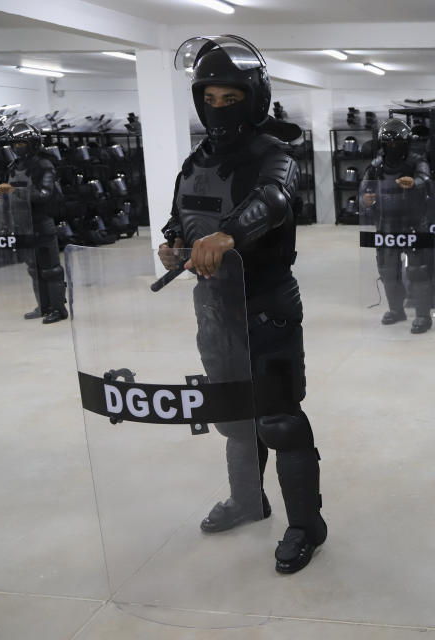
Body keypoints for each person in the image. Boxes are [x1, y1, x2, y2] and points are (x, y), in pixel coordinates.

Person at [159, 35, 326, 574]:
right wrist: (172, 245)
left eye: (231, 98)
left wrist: (227, 236)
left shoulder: (274, 154)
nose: (218, 107)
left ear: (253, 98)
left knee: (279, 421)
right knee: (233, 419)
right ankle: (247, 501)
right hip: (214, 309)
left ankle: (306, 524)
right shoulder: (196, 160)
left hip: (266, 305)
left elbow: (274, 202)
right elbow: (177, 215)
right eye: (210, 97)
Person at [362, 118, 434, 334]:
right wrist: (366, 199)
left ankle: (423, 315)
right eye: (388, 142)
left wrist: (415, 183)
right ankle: (396, 309)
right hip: (386, 225)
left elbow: (425, 179)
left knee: (418, 271)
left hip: (413, 224)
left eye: (396, 142)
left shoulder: (416, 161)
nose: (392, 146)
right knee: (387, 270)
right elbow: (364, 189)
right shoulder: (375, 165)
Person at [0, 121, 68, 324]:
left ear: (32, 143)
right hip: (22, 224)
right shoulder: (13, 166)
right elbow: (7, 192)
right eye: (15, 144)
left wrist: (15, 192)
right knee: (33, 269)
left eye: (22, 144)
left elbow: (45, 194)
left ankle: (58, 309)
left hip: (41, 223)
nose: (17, 148)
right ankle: (43, 306)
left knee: (51, 269)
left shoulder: (44, 164)